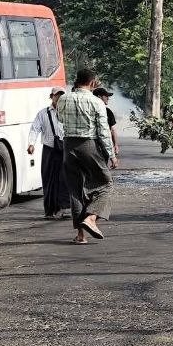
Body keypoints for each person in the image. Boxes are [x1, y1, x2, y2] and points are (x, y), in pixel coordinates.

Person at [58, 68, 116, 243]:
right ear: (92, 82)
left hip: (68, 146)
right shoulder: (96, 102)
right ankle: (91, 219)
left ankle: (80, 235)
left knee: (76, 190)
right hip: (88, 145)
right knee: (105, 184)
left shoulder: (63, 99)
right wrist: (111, 154)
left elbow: (60, 119)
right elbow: (104, 132)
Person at [28, 88, 67, 218]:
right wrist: (31, 144)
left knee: (64, 179)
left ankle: (63, 209)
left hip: (65, 149)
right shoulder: (43, 113)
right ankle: (49, 211)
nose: (59, 98)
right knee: (49, 180)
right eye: (57, 96)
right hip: (49, 150)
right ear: (51, 96)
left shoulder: (68, 112)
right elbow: (35, 129)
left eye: (62, 96)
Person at [93, 87, 120, 159]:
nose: (108, 98)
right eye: (106, 96)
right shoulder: (107, 111)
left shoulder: (89, 109)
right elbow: (112, 130)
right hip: (102, 146)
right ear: (99, 97)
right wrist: (115, 145)